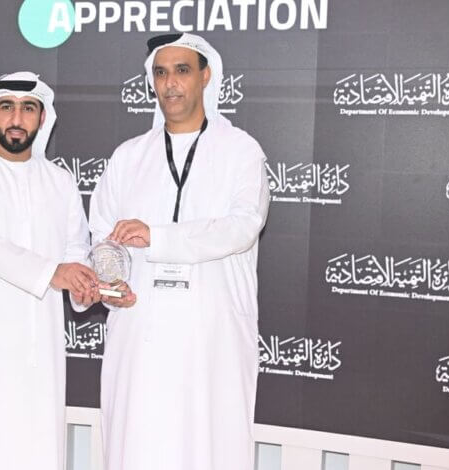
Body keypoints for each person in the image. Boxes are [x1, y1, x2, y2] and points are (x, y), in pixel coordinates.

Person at [89, 33, 270, 470]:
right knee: (139, 446)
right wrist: (111, 285)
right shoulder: (128, 157)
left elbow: (242, 228)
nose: (170, 83)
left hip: (211, 337)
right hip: (140, 334)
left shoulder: (241, 151)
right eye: (161, 72)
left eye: (182, 70)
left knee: (207, 447)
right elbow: (102, 238)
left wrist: (157, 236)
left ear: (206, 76)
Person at [0, 71, 100, 470]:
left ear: (42, 118)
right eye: (6, 107)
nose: (16, 118)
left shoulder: (59, 182)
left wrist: (82, 287)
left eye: (28, 109)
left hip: (37, 354)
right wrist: (53, 273)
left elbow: (76, 251)